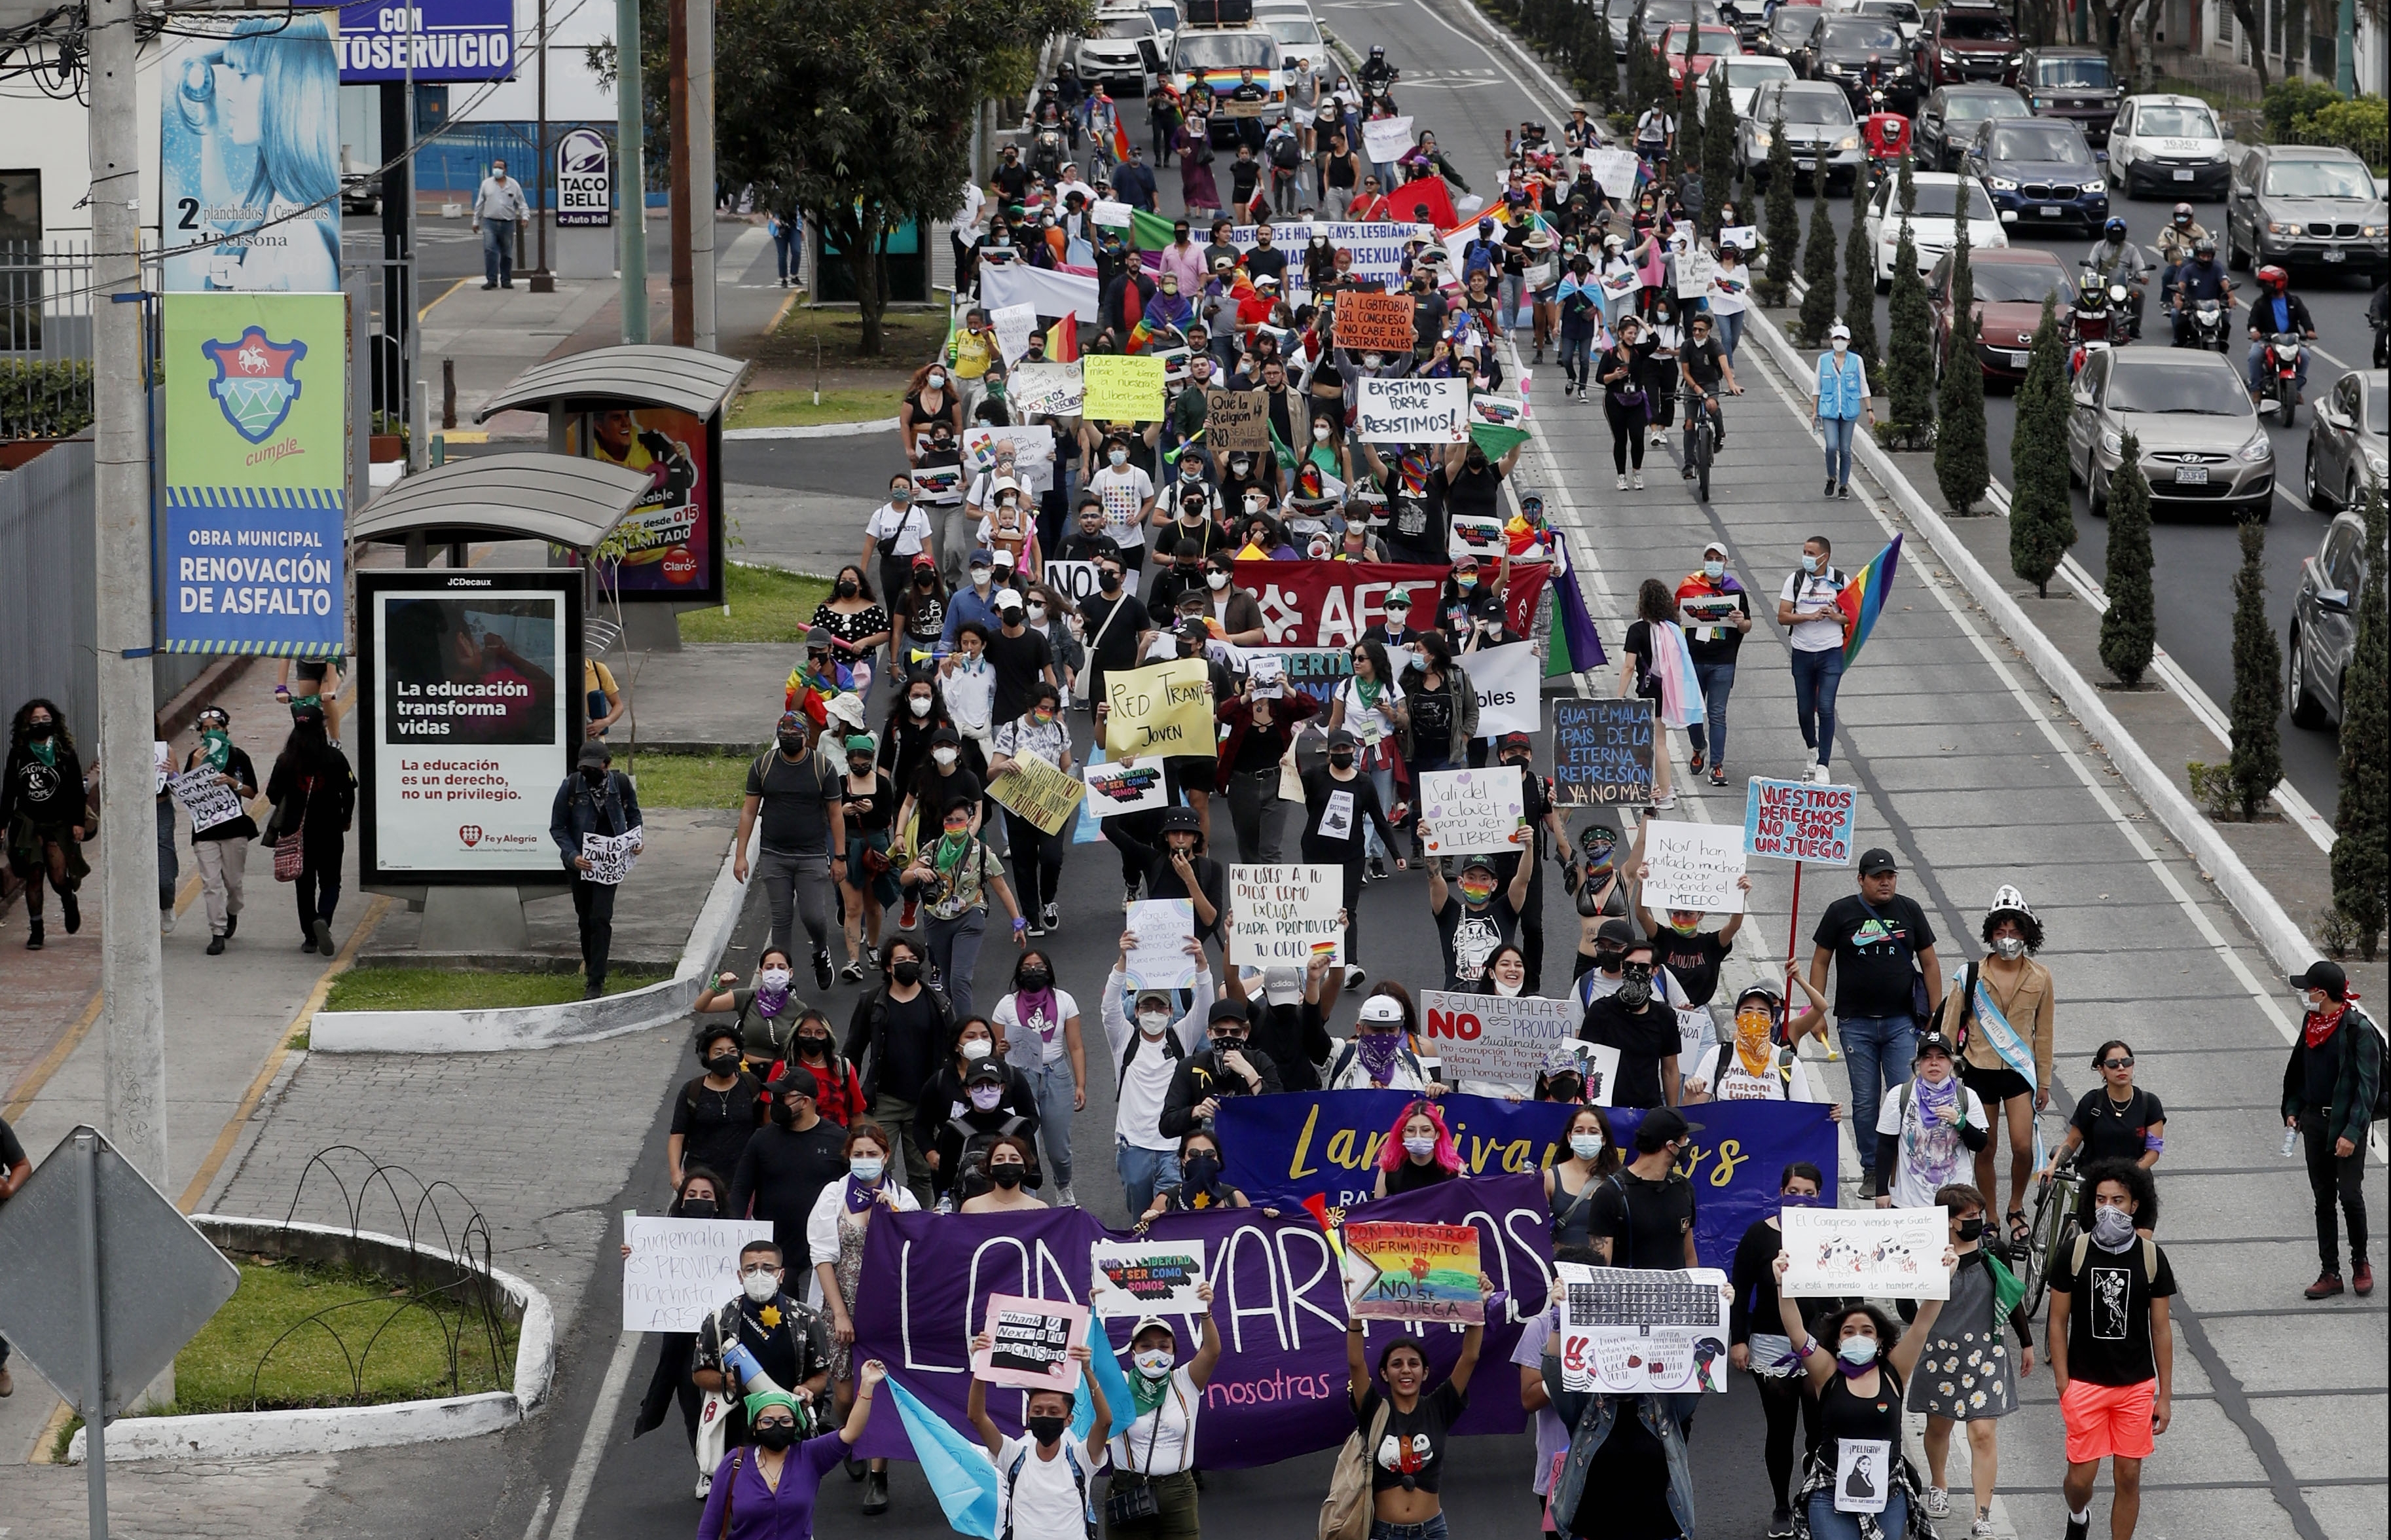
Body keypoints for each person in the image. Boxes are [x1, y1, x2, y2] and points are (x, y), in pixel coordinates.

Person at [1768, 1247, 1961, 1540]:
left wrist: (1942, 1279)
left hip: (1888, 1494)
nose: (1858, 1336)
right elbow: (1795, 1331)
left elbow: (1922, 1326)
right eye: (1849, 1332)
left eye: (1867, 1331)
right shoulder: (1826, 1372)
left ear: (1880, 1339)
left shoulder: (1894, 1372)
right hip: (1830, 1493)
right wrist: (1783, 1283)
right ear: (1837, 1340)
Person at [2047, 1161, 2176, 1540]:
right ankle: (2078, 1515)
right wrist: (2062, 1381)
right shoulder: (2075, 1252)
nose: (2109, 1208)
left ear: (2135, 1205)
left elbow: (2161, 1329)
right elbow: (2057, 1321)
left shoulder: (2151, 1257)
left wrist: (2164, 1394)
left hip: (2135, 1386)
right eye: (2101, 1199)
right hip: (2084, 1383)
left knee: (2129, 1475)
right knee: (2080, 1479)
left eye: (2118, 1200)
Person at [1924, 885, 2056, 1244]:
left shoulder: (2041, 977)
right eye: (2001, 932)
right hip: (1977, 1072)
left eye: (2015, 933)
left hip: (2018, 1074)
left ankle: (2016, 1206)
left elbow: (2044, 1034)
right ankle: (1992, 1214)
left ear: (2027, 934)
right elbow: (1948, 1032)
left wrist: (2043, 1081)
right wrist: (1945, 1078)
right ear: (1991, 933)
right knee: (1986, 1147)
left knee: (2022, 1146)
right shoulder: (1970, 975)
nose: (2008, 939)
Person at [1808, 846, 1943, 1182]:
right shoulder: (1840, 913)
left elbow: (1929, 962)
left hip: (1902, 1023)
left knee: (1903, 1095)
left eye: (1890, 876)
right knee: (1866, 1102)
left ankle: (1904, 1165)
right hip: (1856, 1024)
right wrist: (1815, 1011)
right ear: (1861, 879)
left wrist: (1935, 1015)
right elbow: (1821, 961)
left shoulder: (1910, 910)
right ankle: (1873, 1168)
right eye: (1878, 877)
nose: (1885, 883)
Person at [805, 1122, 919, 1514]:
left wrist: (895, 1218)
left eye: (873, 1154)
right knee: (844, 1393)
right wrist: (839, 1313)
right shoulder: (833, 1196)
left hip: (886, 1306)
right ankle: (848, 1437)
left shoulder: (902, 1196)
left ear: (886, 1156)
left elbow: (919, 1251)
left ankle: (878, 1476)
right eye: (859, 1154)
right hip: (844, 1301)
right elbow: (822, 1257)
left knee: (880, 1389)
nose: (866, 1160)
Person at [1913, 1183, 2035, 1537]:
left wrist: (2025, 1343)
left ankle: (1982, 1515)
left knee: (1982, 1432)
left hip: (1987, 1352)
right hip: (1942, 1354)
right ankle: (1939, 1483)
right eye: (1969, 1217)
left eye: (1978, 1214)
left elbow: (2010, 1293)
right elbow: (1909, 1306)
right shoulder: (1930, 1254)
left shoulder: (1993, 1249)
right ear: (1949, 1221)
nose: (1978, 1221)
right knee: (1939, 1426)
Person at [1344, 1272, 1499, 1540]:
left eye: (1413, 1364)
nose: (1406, 1370)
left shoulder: (1439, 1407)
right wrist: (1356, 1309)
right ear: (1384, 1374)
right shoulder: (1373, 1409)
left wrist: (1478, 1307)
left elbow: (1470, 1356)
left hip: (1432, 1532)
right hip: (1383, 1532)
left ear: (1425, 1373)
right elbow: (1356, 1362)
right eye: (1397, 1364)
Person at [1728, 1163, 1831, 1535]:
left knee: (1820, 1428)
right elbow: (1739, 1289)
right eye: (1794, 1191)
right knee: (1781, 1428)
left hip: (1819, 1342)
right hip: (1770, 1344)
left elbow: (1848, 1285)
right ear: (1780, 1192)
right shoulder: (1758, 1235)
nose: (1801, 1198)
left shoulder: (1831, 1233)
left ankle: (1815, 1497)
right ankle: (1781, 1507)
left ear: (1819, 1196)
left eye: (1809, 1193)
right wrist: (1738, 1341)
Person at [694, 1359, 890, 1539]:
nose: (777, 1426)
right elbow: (710, 1527)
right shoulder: (735, 1462)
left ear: (796, 1425)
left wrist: (867, 1385)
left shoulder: (811, 1455)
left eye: (785, 1421)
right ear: (754, 1427)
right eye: (768, 1421)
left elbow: (851, 1433)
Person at [2280, 959, 2379, 1298]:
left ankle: (2361, 1263)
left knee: (2350, 1196)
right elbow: (2300, 1072)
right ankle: (2330, 1272)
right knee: (2323, 1199)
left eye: (2309, 989)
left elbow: (2368, 1090)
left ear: (2322, 993)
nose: (2305, 995)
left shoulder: (2358, 1030)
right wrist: (2294, 1110)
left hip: (2347, 1124)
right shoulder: (2312, 1022)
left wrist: (2352, 1133)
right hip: (2315, 1123)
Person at [691, 1237, 835, 1463]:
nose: (760, 1275)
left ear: (781, 1274)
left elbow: (821, 1374)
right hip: (739, 1432)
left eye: (768, 1268)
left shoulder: (806, 1319)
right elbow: (699, 1374)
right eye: (751, 1269)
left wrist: (806, 1390)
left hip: (790, 1426)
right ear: (741, 1276)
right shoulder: (720, 1321)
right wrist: (725, 1382)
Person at [839, 938, 957, 1209]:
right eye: (901, 961)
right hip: (882, 1101)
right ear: (889, 967)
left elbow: (954, 1051)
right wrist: (846, 1092)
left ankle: (919, 1227)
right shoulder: (872, 1001)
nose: (908, 966)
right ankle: (879, 1224)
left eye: (913, 961)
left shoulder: (939, 1003)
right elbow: (854, 1049)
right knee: (875, 1169)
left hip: (925, 1105)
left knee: (922, 1174)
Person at [630, 1169, 735, 1471]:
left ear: (717, 1204)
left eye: (706, 1196)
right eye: (691, 1195)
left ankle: (727, 1463)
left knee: (723, 1401)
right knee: (691, 1406)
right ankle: (705, 1469)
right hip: (680, 1337)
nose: (698, 1200)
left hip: (722, 1336)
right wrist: (636, 1257)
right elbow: (648, 1281)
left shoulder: (733, 1240)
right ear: (680, 1200)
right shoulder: (662, 1239)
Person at [1103, 933, 1214, 1215]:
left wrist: (1202, 965)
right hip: (1134, 1149)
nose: (1154, 1013)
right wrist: (1122, 962)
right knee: (1142, 1220)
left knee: (1174, 1219)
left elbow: (1205, 1007)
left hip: (1174, 1148)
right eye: (1147, 1007)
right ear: (1137, 1012)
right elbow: (1109, 1008)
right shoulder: (1123, 1040)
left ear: (1171, 1011)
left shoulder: (1181, 1037)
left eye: (1160, 1007)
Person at [736, 712, 847, 991]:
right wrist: (740, 856)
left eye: (794, 736)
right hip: (774, 855)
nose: (789, 741)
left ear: (806, 737)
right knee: (781, 918)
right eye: (783, 737)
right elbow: (749, 811)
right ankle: (783, 980)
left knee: (814, 916)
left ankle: (821, 951)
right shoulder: (763, 766)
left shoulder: (823, 767)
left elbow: (835, 814)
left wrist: (840, 857)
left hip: (811, 855)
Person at [1103, 1284, 1222, 1540]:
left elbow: (1212, 1352)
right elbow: (1092, 1361)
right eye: (1146, 1346)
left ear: (1173, 1351)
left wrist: (1206, 1314)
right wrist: (1093, 1312)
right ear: (1133, 1353)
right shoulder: (1120, 1384)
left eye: (1163, 1345)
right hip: (1128, 1488)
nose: (1155, 1352)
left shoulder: (1185, 1381)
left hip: (1178, 1491)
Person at [965, 1340, 1108, 1540]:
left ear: (1069, 1420)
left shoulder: (1081, 1458)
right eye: (1038, 1411)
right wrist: (980, 1369)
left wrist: (1087, 1371)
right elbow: (977, 1417)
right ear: (1029, 1416)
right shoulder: (1013, 1456)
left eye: (1054, 1411)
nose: (1045, 1416)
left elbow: (1105, 1422)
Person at [902, 797, 1025, 1017]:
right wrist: (918, 872)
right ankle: (952, 1028)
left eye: (960, 820)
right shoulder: (933, 848)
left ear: (969, 821)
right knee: (948, 981)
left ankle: (966, 1029)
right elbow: (904, 878)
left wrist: (1017, 922)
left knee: (960, 979)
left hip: (970, 917)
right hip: (937, 919)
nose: (955, 824)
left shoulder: (982, 852)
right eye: (950, 820)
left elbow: (1002, 888)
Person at [549, 739, 642, 999]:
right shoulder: (570, 787)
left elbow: (634, 815)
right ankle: (592, 965)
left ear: (607, 765)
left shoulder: (620, 785)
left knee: (601, 917)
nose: (589, 772)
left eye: (595, 767)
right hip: (580, 865)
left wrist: (636, 841)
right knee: (585, 918)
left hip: (609, 864)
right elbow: (558, 827)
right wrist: (573, 856)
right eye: (584, 768)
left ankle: (596, 980)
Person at [992, 948, 1085, 1207]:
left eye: (1039, 966)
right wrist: (998, 1052)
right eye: (1028, 967)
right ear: (1019, 973)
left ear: (1049, 970)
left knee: (1059, 1149)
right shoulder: (1005, 1005)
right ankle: (1027, 1196)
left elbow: (1076, 1046)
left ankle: (1063, 1185)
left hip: (1057, 1074)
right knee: (1023, 1141)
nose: (1033, 971)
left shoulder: (1065, 1000)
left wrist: (1080, 1085)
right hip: (1020, 1076)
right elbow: (994, 1051)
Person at [913, 1016, 1040, 1205]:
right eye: (971, 1037)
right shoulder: (939, 1084)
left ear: (1002, 1088)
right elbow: (921, 1124)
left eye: (984, 1036)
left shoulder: (1013, 1077)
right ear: (968, 1091)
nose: (986, 1093)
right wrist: (932, 1154)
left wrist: (1018, 1146)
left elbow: (1031, 1117)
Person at [264, 705, 354, 956]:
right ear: (321, 728)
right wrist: (346, 817)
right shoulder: (335, 758)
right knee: (331, 881)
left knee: (304, 886)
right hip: (330, 830)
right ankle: (323, 919)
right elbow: (349, 791)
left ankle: (310, 938)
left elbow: (272, 795)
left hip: (296, 833)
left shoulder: (285, 761)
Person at [1874, 1034, 1988, 1224]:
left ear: (1952, 1063)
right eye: (1927, 1057)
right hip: (1908, 1201)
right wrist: (1882, 1192)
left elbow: (1981, 1144)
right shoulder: (1899, 1096)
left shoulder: (1967, 1097)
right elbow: (1885, 1146)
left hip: (1955, 1202)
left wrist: (1960, 1122)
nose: (1934, 1063)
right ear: (1918, 1064)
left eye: (1941, 1057)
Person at [989, 684, 1073, 938]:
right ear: (1030, 706)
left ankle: (1048, 900)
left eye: (1051, 709)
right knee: (1023, 862)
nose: (1046, 713)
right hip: (1019, 806)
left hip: (1051, 805)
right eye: (1042, 708)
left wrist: (1069, 780)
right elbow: (991, 770)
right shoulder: (1011, 730)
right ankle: (1030, 914)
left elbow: (1066, 763)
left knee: (1052, 857)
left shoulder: (1059, 729)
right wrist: (1006, 767)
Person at [180, 705, 257, 956]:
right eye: (206, 729)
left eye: (217, 728)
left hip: (234, 827)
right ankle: (217, 931)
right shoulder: (196, 756)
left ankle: (232, 911)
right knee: (211, 883)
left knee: (233, 883)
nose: (212, 733)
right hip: (205, 831)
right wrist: (195, 766)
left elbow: (252, 792)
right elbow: (186, 793)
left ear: (226, 729)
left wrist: (234, 783)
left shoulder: (238, 756)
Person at [1685, 981, 1837, 1108]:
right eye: (1748, 1011)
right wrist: (1690, 1094)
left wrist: (1827, 1118)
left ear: (1772, 1020)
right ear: (1736, 1017)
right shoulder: (1717, 1056)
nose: (1754, 1017)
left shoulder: (1789, 1063)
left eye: (1762, 1012)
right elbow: (1694, 1117)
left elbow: (1804, 1116)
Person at [1326, 644, 1408, 878]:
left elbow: (1404, 721)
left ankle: (1377, 857)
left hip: (1382, 751)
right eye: (1354, 658)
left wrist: (1389, 713)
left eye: (1362, 658)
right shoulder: (1346, 687)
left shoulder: (1391, 687)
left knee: (1380, 809)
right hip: (1354, 752)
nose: (1357, 662)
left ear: (1375, 660)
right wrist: (1332, 752)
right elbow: (1336, 721)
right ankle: (1357, 861)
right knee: (1351, 807)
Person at [1675, 540, 1751, 788]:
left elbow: (1747, 626)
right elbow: (1674, 615)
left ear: (1726, 562)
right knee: (1692, 711)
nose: (1714, 563)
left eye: (1719, 559)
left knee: (1718, 714)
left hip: (1723, 661)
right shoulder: (1689, 586)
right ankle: (1699, 747)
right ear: (1704, 560)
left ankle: (1717, 765)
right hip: (1694, 659)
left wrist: (1741, 621)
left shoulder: (1735, 591)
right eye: (1710, 558)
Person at [1588, 1106, 1702, 1268]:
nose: (1688, 1145)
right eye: (1684, 1139)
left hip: (1674, 1293)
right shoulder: (1611, 1194)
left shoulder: (1684, 1189)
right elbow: (1599, 1267)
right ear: (1671, 1146)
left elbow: (1689, 1257)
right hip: (1629, 1292)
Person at [1579, 937, 1685, 1110]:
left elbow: (1670, 1069)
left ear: (1655, 971)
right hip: (1607, 1111)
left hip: (1648, 1111)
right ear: (1622, 967)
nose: (1635, 972)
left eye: (1643, 967)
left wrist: (1672, 1113)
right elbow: (1584, 1064)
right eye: (1629, 966)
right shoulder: (1600, 1011)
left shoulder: (1665, 1016)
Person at [2044, 1040, 2164, 1192]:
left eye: (2126, 1062)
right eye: (2113, 1064)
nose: (2121, 1068)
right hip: (2094, 1182)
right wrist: (2053, 1166)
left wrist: (2127, 1175)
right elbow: (2071, 1142)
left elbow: (2153, 1152)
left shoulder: (2149, 1103)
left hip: (2134, 1181)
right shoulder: (2091, 1102)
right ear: (2102, 1069)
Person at [1159, 997, 1284, 1141]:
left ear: (1245, 1034)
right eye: (1220, 1032)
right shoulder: (1190, 1066)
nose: (1227, 1038)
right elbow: (1166, 1125)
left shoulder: (1259, 1062)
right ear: (1209, 1034)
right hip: (1206, 1156)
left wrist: (1252, 1077)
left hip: (1250, 1150)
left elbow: (1279, 1114)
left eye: (1235, 1032)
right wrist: (1196, 1111)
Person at [1778, 534, 1850, 785]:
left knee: (1826, 706)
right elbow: (1783, 617)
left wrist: (1834, 616)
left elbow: (1853, 618)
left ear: (1824, 556)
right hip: (1802, 652)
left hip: (1831, 652)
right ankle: (1812, 746)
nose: (1806, 557)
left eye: (1811, 553)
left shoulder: (1840, 581)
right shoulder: (1795, 580)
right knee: (1805, 709)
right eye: (1805, 552)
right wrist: (1808, 617)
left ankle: (1823, 764)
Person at [1616, 578, 1687, 810]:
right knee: (1658, 740)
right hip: (1668, 690)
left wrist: (1618, 696)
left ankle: (1664, 793)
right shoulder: (1672, 629)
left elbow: (1628, 666)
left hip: (1649, 691)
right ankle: (1665, 785)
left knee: (1657, 743)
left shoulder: (1637, 630)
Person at [670, 1022, 767, 1190]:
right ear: (706, 1057)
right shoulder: (692, 1090)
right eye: (718, 1052)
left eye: (732, 1051)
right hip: (699, 1179)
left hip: (742, 1178)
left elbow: (766, 1128)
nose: (726, 1056)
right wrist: (676, 1174)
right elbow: (677, 1136)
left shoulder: (751, 1085)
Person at [1423, 845, 1533, 992]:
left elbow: (1522, 881)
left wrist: (1529, 847)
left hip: (1496, 996)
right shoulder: (1449, 912)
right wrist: (1429, 843)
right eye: (1471, 877)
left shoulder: (1505, 911)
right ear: (1461, 883)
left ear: (1493, 885)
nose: (1477, 883)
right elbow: (1435, 880)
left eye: (1484, 879)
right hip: (1456, 996)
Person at [1810, 321, 1875, 500]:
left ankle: (1844, 485)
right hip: (1829, 410)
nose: (1840, 341)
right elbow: (1817, 387)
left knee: (1845, 449)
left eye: (1843, 339)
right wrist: (1814, 411)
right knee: (1831, 446)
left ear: (1849, 341)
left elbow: (1863, 385)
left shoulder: (1856, 361)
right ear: (1832, 341)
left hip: (1849, 410)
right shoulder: (1823, 360)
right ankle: (1832, 477)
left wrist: (1869, 409)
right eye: (1837, 338)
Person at [1544, 1105, 1622, 1248]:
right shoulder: (1552, 1177)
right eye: (1579, 1131)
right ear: (1570, 1137)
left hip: (1599, 1266)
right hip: (1560, 1265)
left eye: (1593, 1132)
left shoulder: (1617, 1180)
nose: (1586, 1136)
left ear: (1603, 1139)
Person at [812, 567, 894, 700]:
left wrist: (865, 642)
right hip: (831, 665)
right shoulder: (826, 608)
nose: (847, 583)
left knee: (858, 707)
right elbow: (813, 632)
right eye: (843, 580)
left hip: (861, 665)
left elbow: (885, 633)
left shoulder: (872, 609)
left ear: (860, 585)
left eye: (852, 580)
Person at [2242, 265, 2316, 402]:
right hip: (2268, 340)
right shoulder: (2260, 303)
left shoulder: (2294, 301)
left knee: (2305, 356)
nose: (2266, 286)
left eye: (2269, 283)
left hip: (2291, 341)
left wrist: (2310, 330)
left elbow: (2304, 317)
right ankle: (2256, 389)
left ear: (2279, 283)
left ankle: (2297, 390)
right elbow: (2253, 320)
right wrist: (2254, 331)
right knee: (2254, 355)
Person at [1141, 1128, 1249, 1217]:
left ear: (1218, 1159)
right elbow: (1146, 1238)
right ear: (1183, 1160)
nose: (1202, 1159)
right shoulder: (1166, 1201)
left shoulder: (1235, 1199)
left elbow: (1253, 1235)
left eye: (1209, 1155)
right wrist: (1148, 1222)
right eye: (1194, 1154)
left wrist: (1265, 1220)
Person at [1597, 314, 1652, 489]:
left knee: (1637, 437)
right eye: (1629, 333)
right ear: (1621, 334)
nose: (1633, 336)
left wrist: (1642, 322)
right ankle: (1621, 475)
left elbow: (1655, 341)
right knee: (1620, 439)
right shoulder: (1610, 354)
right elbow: (1600, 378)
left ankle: (1637, 472)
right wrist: (1615, 376)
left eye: (1635, 333)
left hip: (1636, 400)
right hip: (1615, 400)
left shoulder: (1638, 352)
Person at [1374, 1098, 1463, 1197]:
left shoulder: (1455, 1171)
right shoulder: (1389, 1171)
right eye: (1411, 1130)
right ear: (1403, 1134)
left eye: (1425, 1130)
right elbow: (1376, 1210)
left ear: (1437, 1134)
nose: (1418, 1136)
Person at [471, 156, 530, 288]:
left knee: (507, 252)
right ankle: (491, 279)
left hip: (507, 223)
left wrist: (525, 217)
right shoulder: (487, 184)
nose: (497, 170)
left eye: (500, 167)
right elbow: (480, 203)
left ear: (505, 170)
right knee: (490, 250)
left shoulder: (513, 185)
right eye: (495, 167)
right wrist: (476, 221)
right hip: (490, 222)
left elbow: (522, 203)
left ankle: (506, 280)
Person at [960, 1129, 1048, 1214]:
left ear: (1024, 1167)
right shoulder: (972, 1208)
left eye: (1014, 1159)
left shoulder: (1039, 1209)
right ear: (990, 1167)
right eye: (999, 1159)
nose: (1007, 1162)